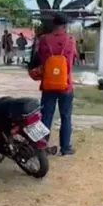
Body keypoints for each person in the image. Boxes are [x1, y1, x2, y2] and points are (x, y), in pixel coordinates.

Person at [37, 13, 77, 156]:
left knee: (46, 116)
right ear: (65, 26)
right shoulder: (71, 40)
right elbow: (73, 60)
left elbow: (39, 59)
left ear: (53, 24)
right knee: (66, 116)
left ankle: (42, 146)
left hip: (48, 84)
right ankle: (65, 148)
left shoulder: (43, 40)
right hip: (65, 84)